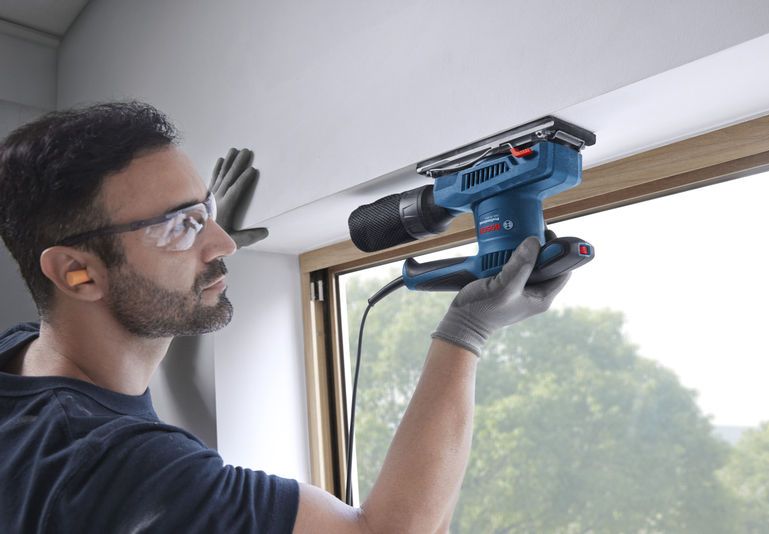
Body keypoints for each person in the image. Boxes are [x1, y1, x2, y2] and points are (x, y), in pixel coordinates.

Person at [0, 101, 569, 533]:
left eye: (208, 211)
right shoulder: (127, 469)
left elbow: (134, 339)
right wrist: (465, 332)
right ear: (78, 274)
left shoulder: (22, 357)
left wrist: (189, 238)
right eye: (179, 225)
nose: (222, 242)